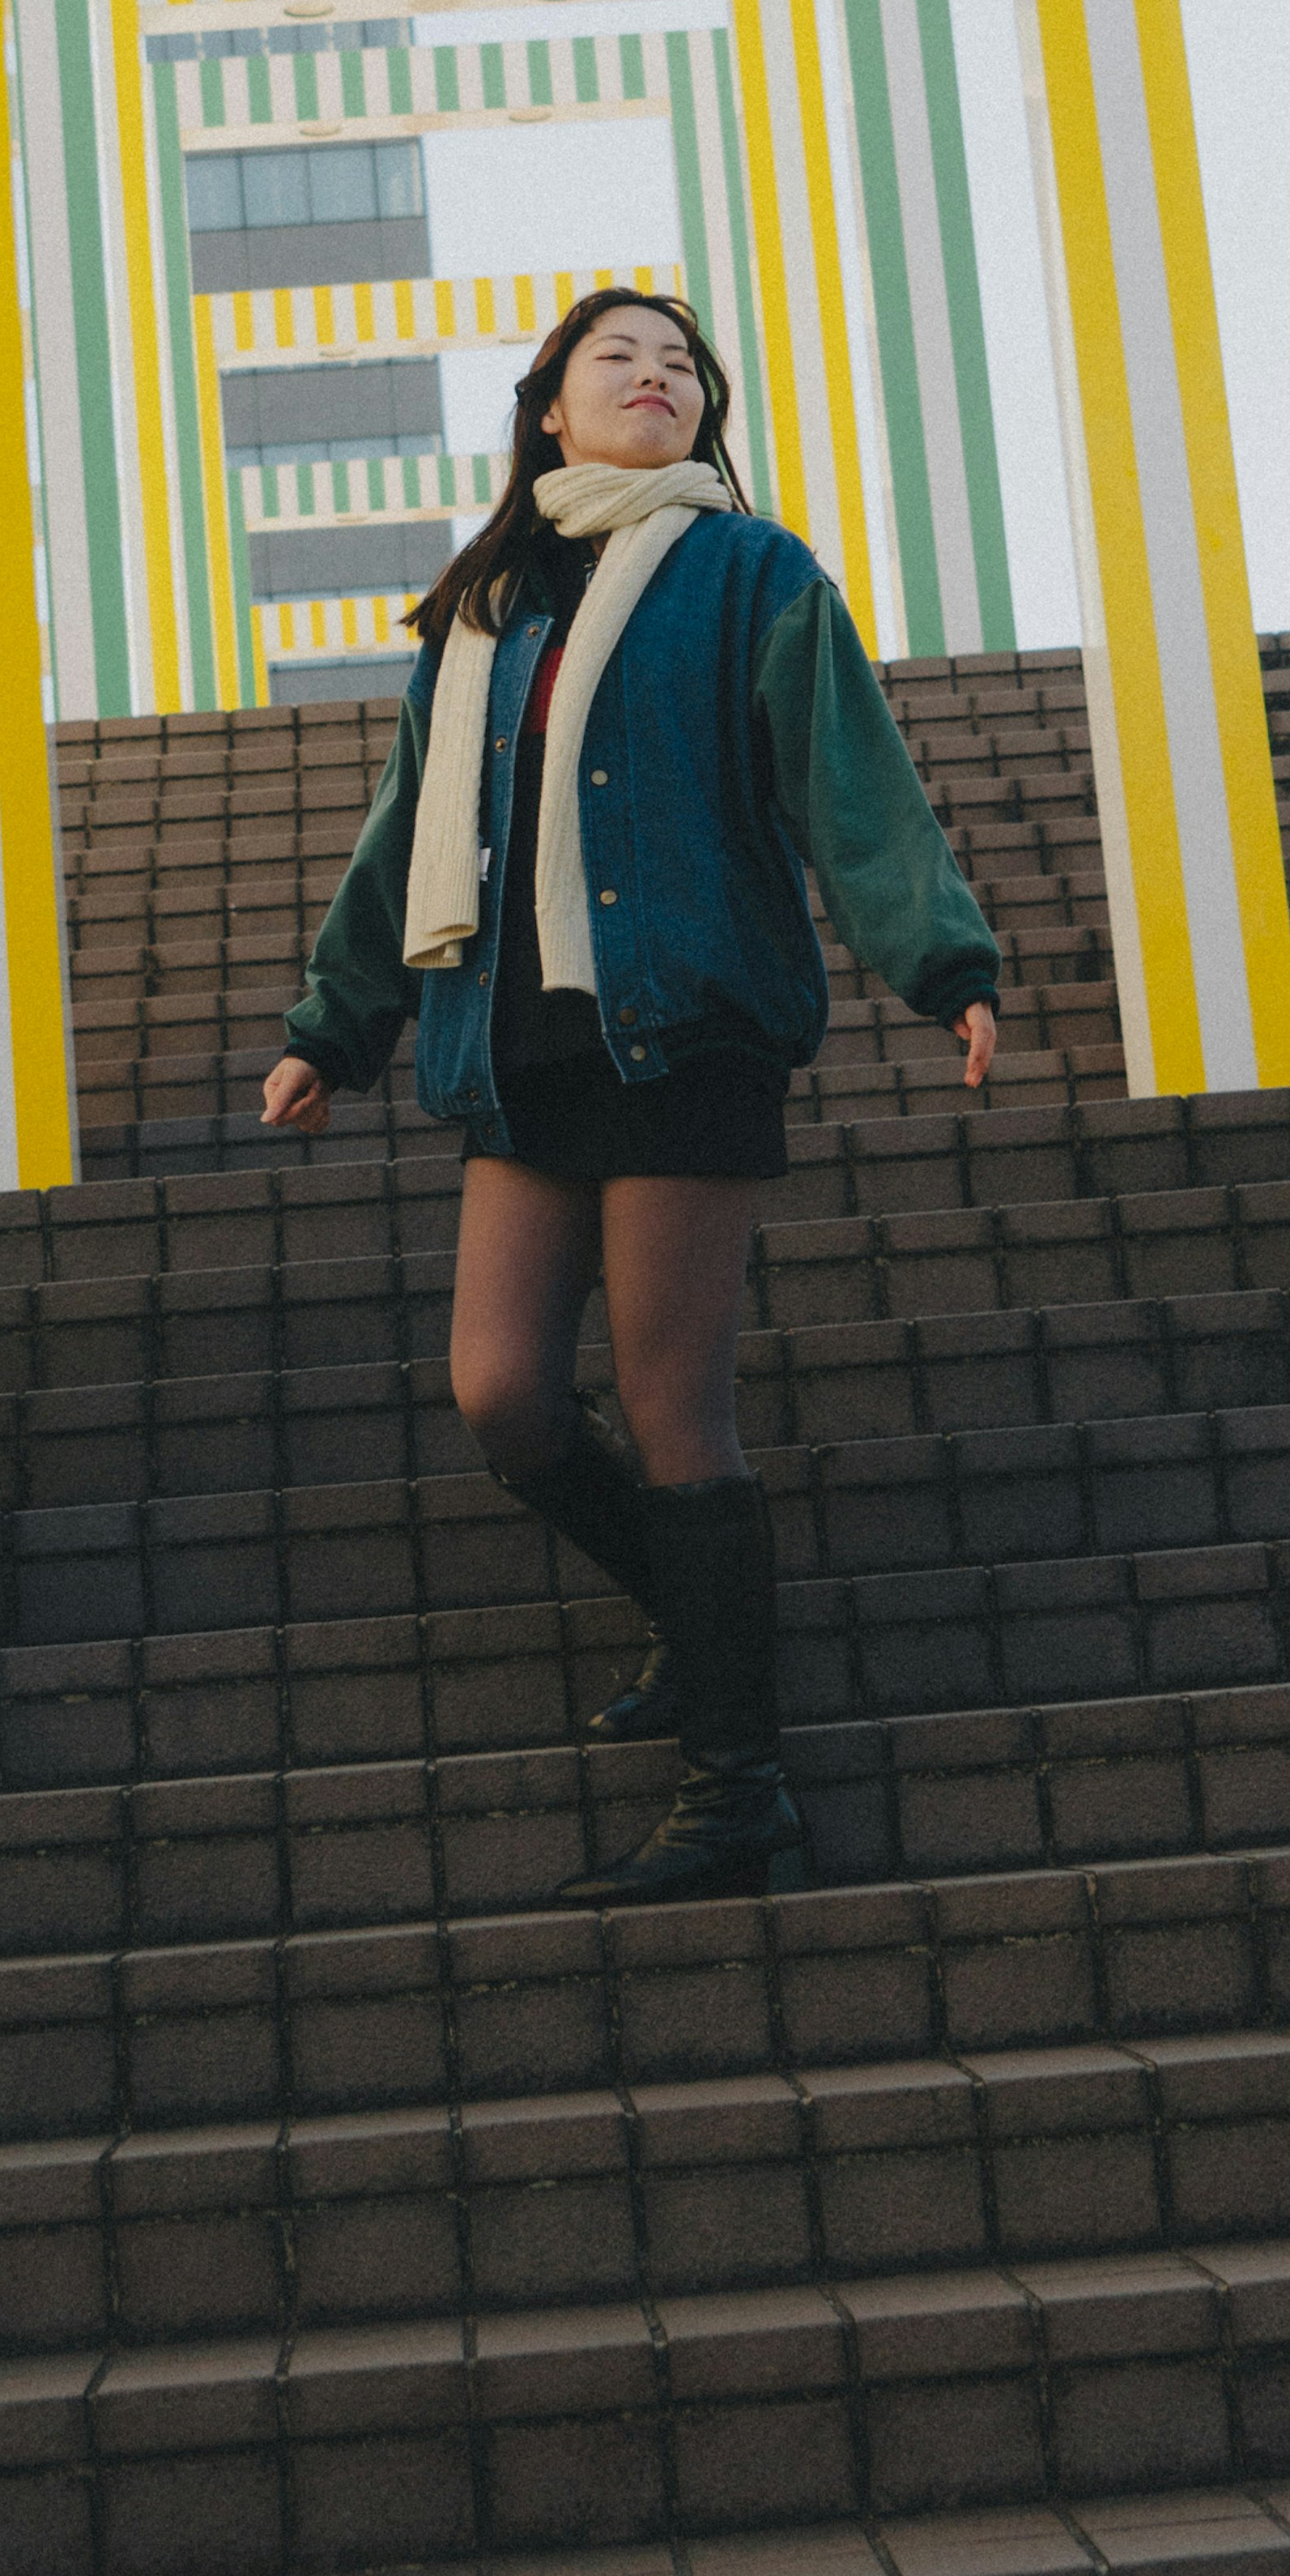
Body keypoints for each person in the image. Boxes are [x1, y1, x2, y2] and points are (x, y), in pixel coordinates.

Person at [261, 283, 1001, 1907]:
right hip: (516, 1051)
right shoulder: (485, 612)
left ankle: (741, 1787)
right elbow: (405, 840)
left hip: (688, 1031)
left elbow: (849, 783)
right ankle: (695, 1618)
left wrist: (944, 964)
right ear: (551, 411)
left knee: (677, 1411)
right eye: (623, 359)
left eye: (683, 367)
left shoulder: (749, 574)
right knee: (502, 1392)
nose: (658, 380)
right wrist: (339, 1023)